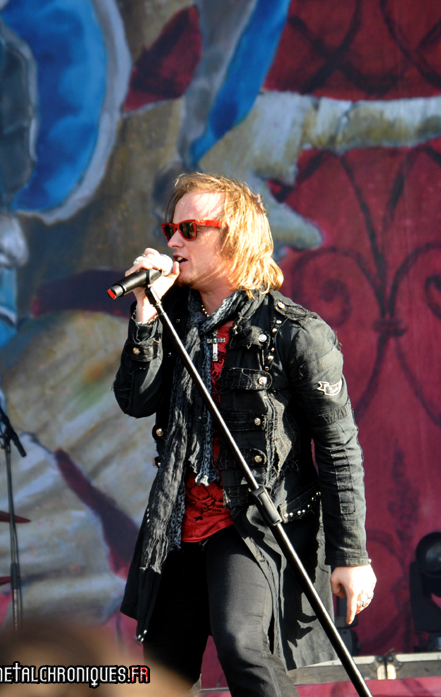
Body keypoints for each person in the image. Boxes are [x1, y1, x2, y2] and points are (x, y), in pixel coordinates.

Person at [114, 173, 376, 697]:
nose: (173, 242)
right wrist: (145, 313)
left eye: (190, 229)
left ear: (234, 237)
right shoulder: (169, 319)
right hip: (179, 521)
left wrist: (352, 554)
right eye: (170, 229)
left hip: (254, 520)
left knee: (242, 642)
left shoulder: (295, 332)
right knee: (162, 670)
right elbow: (135, 400)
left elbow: (339, 448)